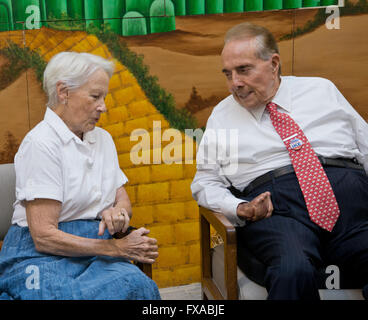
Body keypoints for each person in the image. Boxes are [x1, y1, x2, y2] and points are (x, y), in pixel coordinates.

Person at [191, 22, 368, 300]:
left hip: (353, 205)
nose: (234, 83)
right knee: (291, 269)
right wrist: (241, 208)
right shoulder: (222, 116)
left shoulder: (322, 90)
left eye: (243, 70)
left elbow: (365, 146)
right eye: (228, 74)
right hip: (279, 213)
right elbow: (204, 183)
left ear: (273, 64)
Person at [0, 52, 160, 300]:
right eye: (95, 96)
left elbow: (123, 202)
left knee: (138, 287)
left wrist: (118, 215)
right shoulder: (40, 144)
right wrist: (114, 248)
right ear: (63, 92)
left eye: (103, 97)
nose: (103, 106)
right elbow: (43, 237)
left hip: (95, 251)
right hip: (38, 256)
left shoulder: (103, 139)